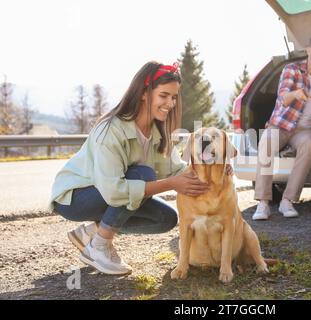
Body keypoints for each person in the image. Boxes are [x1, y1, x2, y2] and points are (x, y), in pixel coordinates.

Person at [49, 61, 228, 275]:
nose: (170, 103)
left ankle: (94, 232)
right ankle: (99, 247)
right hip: (76, 198)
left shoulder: (157, 131)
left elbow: (177, 170)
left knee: (166, 219)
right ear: (144, 93)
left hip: (110, 194)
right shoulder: (110, 130)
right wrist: (170, 184)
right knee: (144, 175)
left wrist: (217, 167)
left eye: (173, 97)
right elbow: (114, 191)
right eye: (164, 96)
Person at [252, 33, 311, 221]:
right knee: (266, 143)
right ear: (309, 50)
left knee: (309, 144)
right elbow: (283, 98)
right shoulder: (292, 70)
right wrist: (296, 93)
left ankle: (287, 201)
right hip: (280, 125)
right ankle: (263, 204)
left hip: (303, 131)